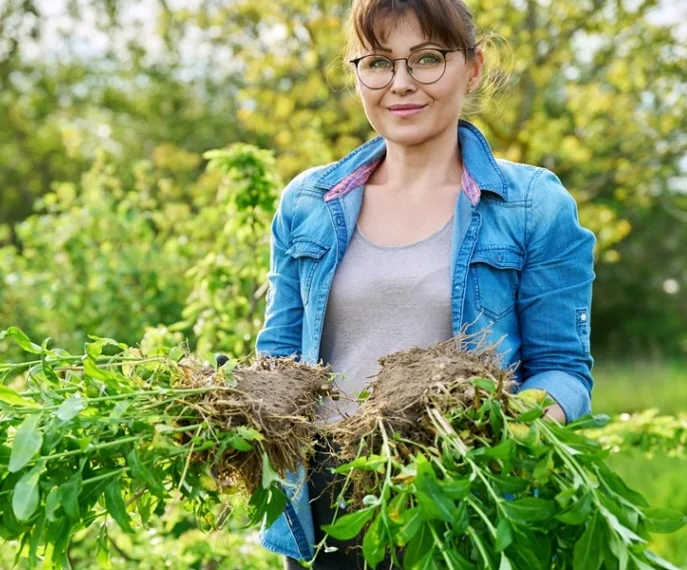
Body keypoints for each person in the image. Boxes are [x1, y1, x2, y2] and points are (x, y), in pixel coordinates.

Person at [253, 0, 596, 567]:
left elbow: (564, 369)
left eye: (427, 59)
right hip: (323, 512)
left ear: (473, 67)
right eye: (379, 63)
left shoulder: (533, 206)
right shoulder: (308, 204)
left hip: (462, 504)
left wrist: (507, 422)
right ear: (357, 73)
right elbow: (278, 359)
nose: (402, 84)